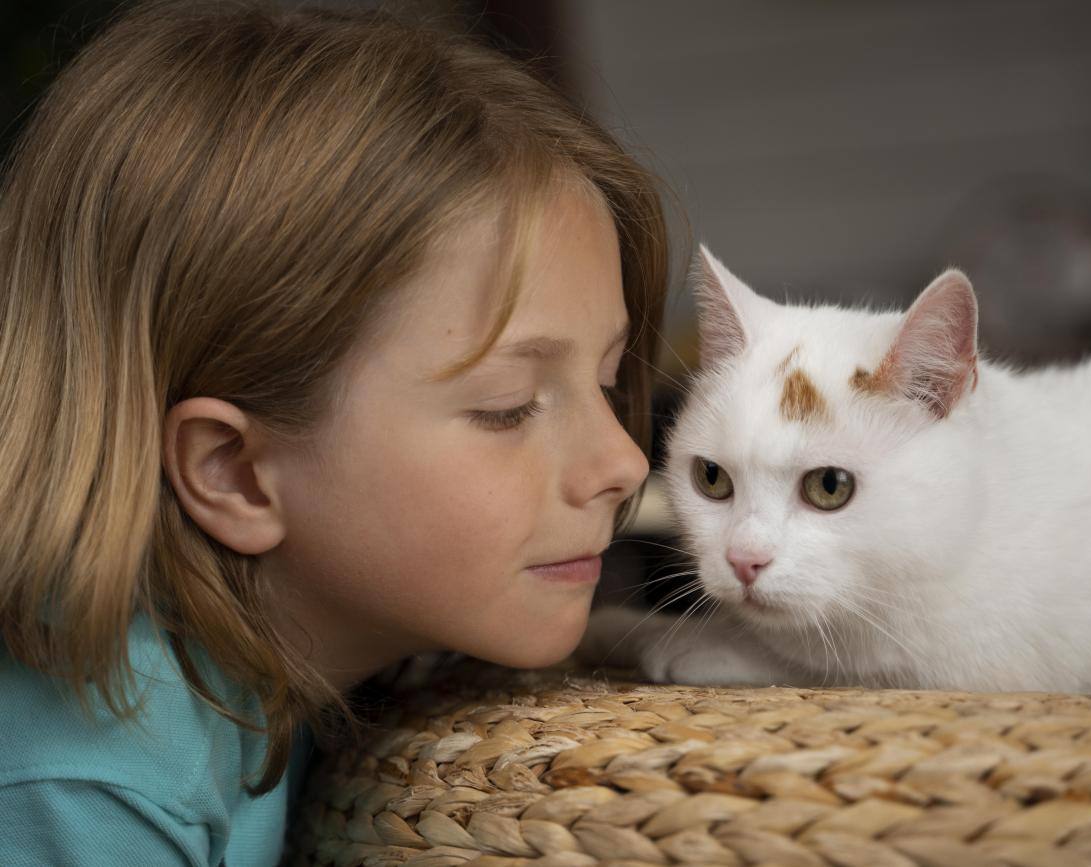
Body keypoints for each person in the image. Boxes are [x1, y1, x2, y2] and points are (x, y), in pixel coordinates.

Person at [0, 2, 666, 863]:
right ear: (233, 471)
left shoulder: (275, 666)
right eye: (506, 405)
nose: (625, 461)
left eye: (609, 383)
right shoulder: (95, 778)